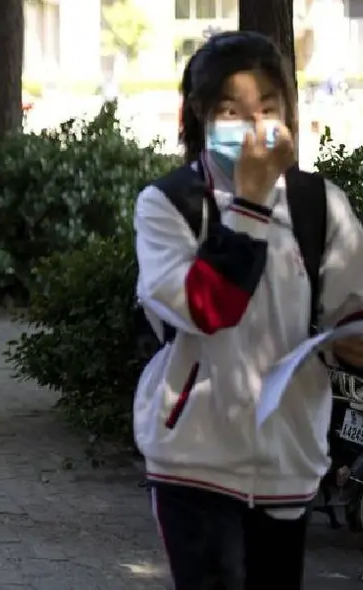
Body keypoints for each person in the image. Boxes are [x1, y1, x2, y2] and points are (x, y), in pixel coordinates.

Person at [133, 31, 363, 589]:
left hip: (289, 456)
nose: (253, 126)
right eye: (232, 111)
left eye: (267, 109)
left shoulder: (319, 204)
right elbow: (210, 307)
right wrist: (252, 205)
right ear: (199, 115)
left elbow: (349, 308)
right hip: (194, 456)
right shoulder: (168, 205)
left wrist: (349, 342)